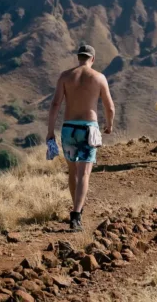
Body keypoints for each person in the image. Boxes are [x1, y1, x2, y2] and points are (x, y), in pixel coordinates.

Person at [47, 44, 115, 231]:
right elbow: (110, 107)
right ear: (92, 59)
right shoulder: (99, 77)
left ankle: (77, 205)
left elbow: (55, 105)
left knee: (72, 172)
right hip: (88, 129)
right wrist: (109, 125)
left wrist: (50, 131)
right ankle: (76, 214)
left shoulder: (65, 76)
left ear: (79, 57)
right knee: (84, 173)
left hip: (68, 128)